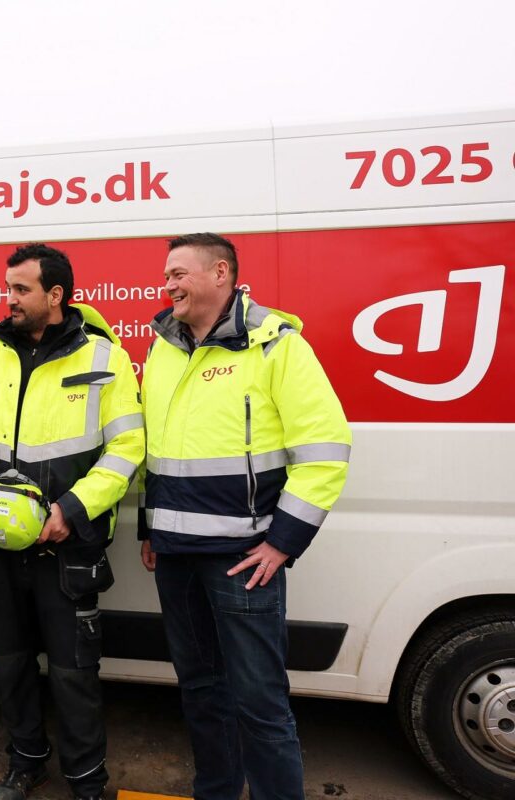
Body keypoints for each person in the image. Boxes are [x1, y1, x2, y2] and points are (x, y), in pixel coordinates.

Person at [138, 233, 351, 800]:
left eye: (180, 273)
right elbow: (154, 448)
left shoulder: (275, 345)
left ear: (221, 273)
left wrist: (282, 542)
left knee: (259, 702)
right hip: (175, 557)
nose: (169, 284)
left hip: (243, 559)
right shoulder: (164, 346)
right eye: (167, 274)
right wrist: (150, 526)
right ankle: (217, 792)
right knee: (201, 693)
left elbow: (326, 449)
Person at [0, 244, 145, 800]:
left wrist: (72, 510)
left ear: (55, 295)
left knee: (76, 673)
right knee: (11, 666)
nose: (9, 299)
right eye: (7, 288)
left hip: (66, 547)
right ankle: (24, 762)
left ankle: (85, 779)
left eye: (21, 289)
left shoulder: (105, 360)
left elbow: (128, 449)